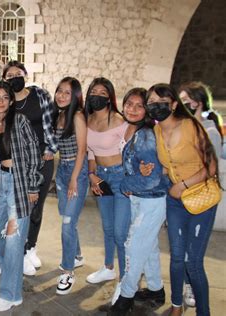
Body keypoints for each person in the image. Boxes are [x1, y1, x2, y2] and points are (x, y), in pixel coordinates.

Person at [145, 83, 219, 316]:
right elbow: (169, 166)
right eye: (151, 102)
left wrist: (183, 185)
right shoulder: (157, 131)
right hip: (176, 202)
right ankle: (176, 306)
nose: (155, 106)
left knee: (192, 262)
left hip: (200, 199)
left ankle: (203, 312)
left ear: (174, 104)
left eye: (161, 102)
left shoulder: (190, 126)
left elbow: (212, 166)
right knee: (177, 257)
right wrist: (152, 171)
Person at [108, 88, 168, 315]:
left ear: (147, 110)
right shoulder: (138, 131)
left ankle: (126, 296)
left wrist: (125, 185)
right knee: (149, 246)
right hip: (141, 199)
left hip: (151, 201)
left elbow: (152, 178)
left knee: (133, 247)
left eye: (139, 105)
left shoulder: (145, 135)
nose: (132, 109)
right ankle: (155, 290)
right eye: (129, 104)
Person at [0, 81, 42, 312]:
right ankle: (8, 266)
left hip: (20, 184)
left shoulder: (19, 121)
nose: (0, 101)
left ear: (11, 101)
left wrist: (33, 186)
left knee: (13, 240)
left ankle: (10, 293)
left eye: (4, 97)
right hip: (0, 183)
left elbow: (34, 153)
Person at [2, 60, 57, 275]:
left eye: (18, 73)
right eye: (9, 75)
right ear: (4, 79)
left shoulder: (40, 96)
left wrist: (51, 148)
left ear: (24, 74)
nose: (14, 77)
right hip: (19, 161)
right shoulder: (5, 101)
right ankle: (20, 250)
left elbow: (51, 123)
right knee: (20, 207)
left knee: (37, 206)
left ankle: (31, 247)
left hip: (43, 158)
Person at [85, 77, 130, 287]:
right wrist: (92, 174)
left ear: (110, 98)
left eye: (103, 93)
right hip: (100, 177)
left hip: (120, 177)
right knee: (108, 227)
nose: (98, 96)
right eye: (94, 92)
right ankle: (108, 268)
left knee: (121, 232)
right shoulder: (88, 120)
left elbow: (130, 151)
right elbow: (90, 151)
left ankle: (125, 279)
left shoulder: (120, 120)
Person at [52, 77, 88, 295]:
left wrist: (74, 178)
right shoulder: (60, 115)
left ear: (75, 96)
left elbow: (82, 150)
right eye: (59, 91)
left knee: (67, 223)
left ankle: (68, 270)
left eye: (67, 92)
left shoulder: (77, 116)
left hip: (77, 171)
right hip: (62, 172)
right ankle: (76, 256)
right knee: (66, 217)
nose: (61, 96)